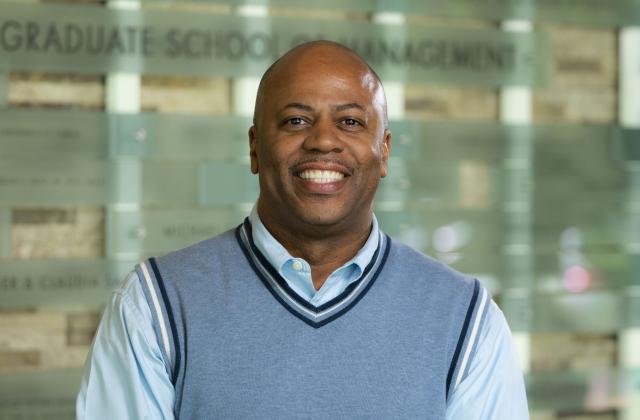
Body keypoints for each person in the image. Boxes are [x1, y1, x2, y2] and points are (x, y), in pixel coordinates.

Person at [77, 40, 529, 419]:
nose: (323, 140)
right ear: (255, 147)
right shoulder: (153, 305)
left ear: (384, 152)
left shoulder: (466, 318)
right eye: (296, 120)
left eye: (350, 122)